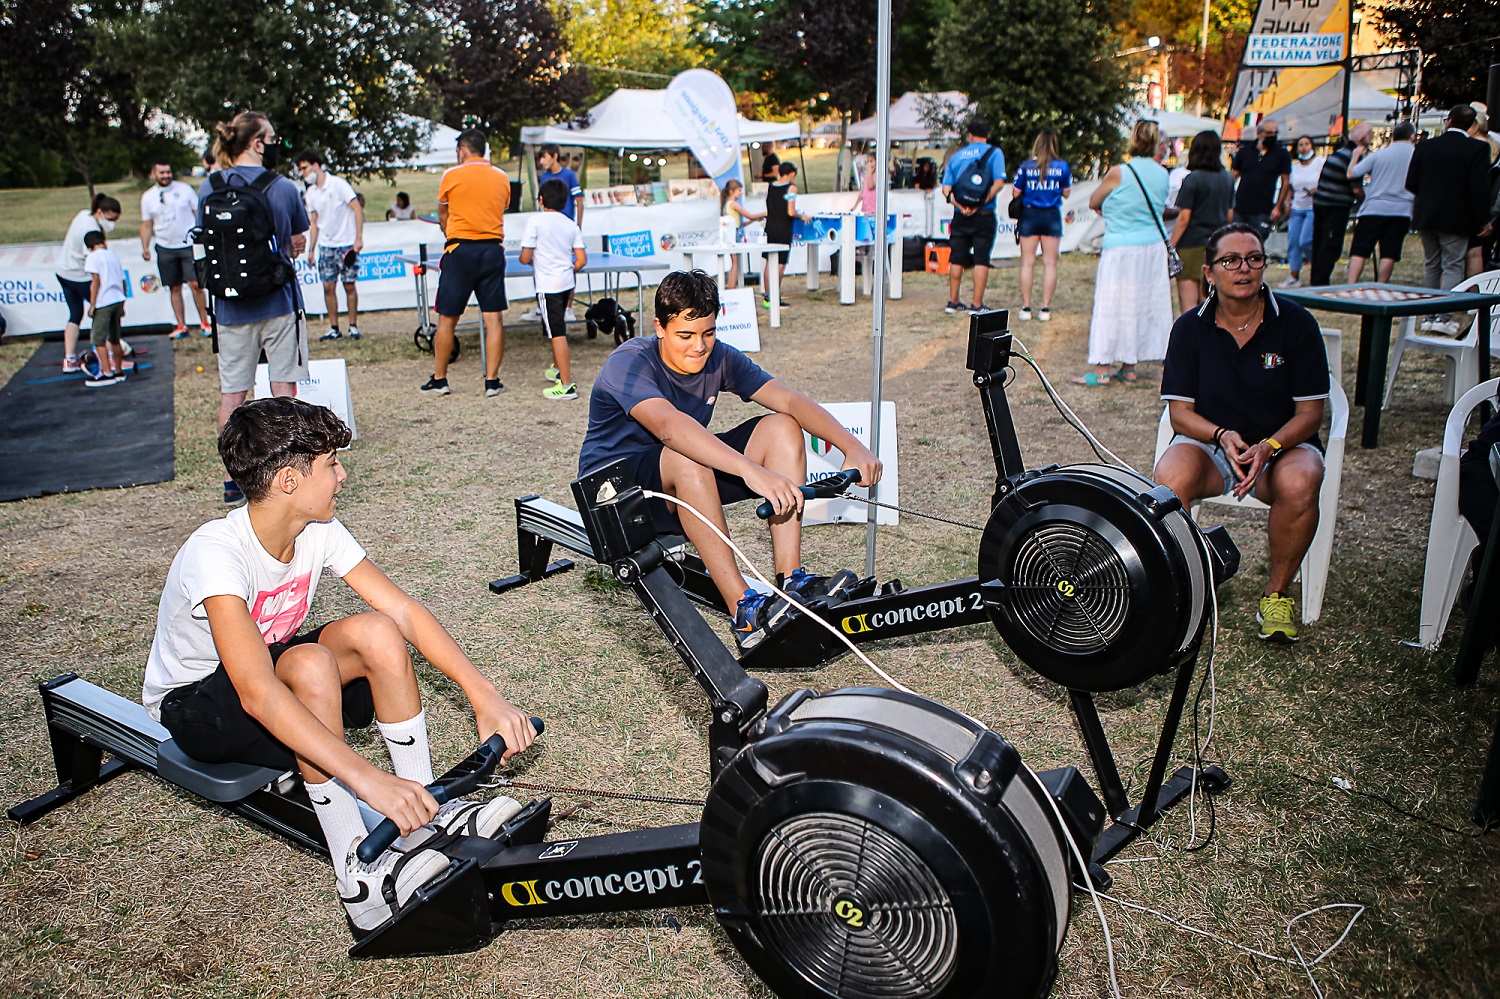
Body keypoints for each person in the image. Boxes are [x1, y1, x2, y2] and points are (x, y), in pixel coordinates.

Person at [141, 396, 537, 935]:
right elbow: (256, 691)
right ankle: (356, 869)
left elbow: (402, 611)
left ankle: (426, 819)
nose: (342, 475)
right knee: (307, 664)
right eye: (331, 464)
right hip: (197, 708)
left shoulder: (317, 529)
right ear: (287, 480)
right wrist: (369, 781)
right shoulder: (216, 552)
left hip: (270, 670)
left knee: (377, 630)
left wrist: (481, 692)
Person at [577, 270, 883, 651]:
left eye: (708, 333)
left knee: (782, 427)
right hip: (613, 496)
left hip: (677, 478)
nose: (699, 347)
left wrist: (850, 445)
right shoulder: (630, 361)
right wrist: (751, 473)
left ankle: (791, 580)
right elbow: (671, 428)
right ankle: (743, 608)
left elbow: (787, 399)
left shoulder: (718, 357)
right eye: (685, 336)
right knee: (686, 454)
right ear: (659, 327)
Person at [1154, 223, 1331, 643]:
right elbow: (1180, 414)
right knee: (1170, 475)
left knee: (1302, 476)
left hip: (1282, 447)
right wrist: (1221, 435)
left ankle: (1276, 594)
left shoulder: (1296, 323)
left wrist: (1269, 446)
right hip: (1212, 445)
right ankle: (1183, 589)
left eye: (1254, 259)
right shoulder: (1189, 328)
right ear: (1210, 273)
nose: (1244, 269)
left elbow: (1310, 413)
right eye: (1230, 261)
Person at [198, 111, 310, 505]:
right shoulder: (283, 187)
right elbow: (298, 239)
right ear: (258, 143)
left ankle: (234, 480)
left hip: (229, 309)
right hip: (278, 301)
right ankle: (288, 471)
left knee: (233, 395)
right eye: (273, 137)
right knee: (284, 390)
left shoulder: (208, 186)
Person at [1072, 120, 1173, 386]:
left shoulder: (1119, 172)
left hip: (1122, 247)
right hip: (1152, 247)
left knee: (1113, 304)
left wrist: (1110, 207)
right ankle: (1129, 366)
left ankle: (1102, 368)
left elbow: (1094, 200)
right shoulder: (1163, 174)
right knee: (1141, 304)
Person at [423, 128, 510, 397]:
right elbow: (502, 207)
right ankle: (492, 381)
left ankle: (440, 379)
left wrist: (449, 231)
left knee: (447, 319)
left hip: (459, 250)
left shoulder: (451, 175)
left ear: (462, 150)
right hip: (492, 249)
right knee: (493, 318)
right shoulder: (502, 177)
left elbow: (442, 212)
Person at [1406, 104, 1494, 334]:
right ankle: (1444, 316)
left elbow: (1411, 182)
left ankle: (1428, 315)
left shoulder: (1426, 146)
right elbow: (1479, 187)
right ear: (1473, 125)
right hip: (1457, 217)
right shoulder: (1476, 149)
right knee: (1453, 265)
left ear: (1448, 121)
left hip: (1427, 214)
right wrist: (1483, 218)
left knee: (1432, 265)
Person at [519, 179, 586, 401]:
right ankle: (558, 370)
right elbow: (581, 260)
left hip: (548, 285)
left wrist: (534, 262)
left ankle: (566, 385)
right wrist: (566, 268)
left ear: (540, 200)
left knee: (557, 333)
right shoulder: (570, 224)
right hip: (567, 283)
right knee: (557, 327)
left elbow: (525, 256)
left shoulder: (535, 222)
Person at [294, 150, 364, 342]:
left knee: (349, 285)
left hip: (346, 243)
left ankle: (353, 326)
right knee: (328, 286)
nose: (303, 173)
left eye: (304, 168)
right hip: (326, 246)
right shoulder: (311, 193)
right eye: (300, 170)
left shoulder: (338, 185)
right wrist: (311, 249)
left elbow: (357, 208)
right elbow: (314, 223)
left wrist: (358, 239)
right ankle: (334, 328)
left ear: (315, 165)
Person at [940, 118, 1007, 315]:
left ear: (969, 135)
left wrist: (959, 204)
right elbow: (999, 182)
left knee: (957, 258)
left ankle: (953, 301)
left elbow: (945, 189)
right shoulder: (995, 153)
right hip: (984, 214)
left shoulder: (958, 156)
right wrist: (982, 202)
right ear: (987, 135)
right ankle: (976, 304)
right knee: (981, 259)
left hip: (960, 215)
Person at [140, 158, 211, 339]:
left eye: (168, 172)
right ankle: (181, 325)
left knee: (196, 284)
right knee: (174, 287)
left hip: (188, 244)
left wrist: (204, 235)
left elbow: (198, 213)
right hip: (165, 246)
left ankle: (205, 322)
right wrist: (145, 246)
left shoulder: (184, 189)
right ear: (154, 174)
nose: (166, 176)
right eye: (162, 173)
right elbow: (146, 224)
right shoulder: (148, 197)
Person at [1169, 131, 1235, 315]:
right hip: (1217, 247)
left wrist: (1170, 246)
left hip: (1191, 244)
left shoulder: (1193, 179)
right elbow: (1230, 215)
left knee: (1189, 304)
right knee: (1210, 302)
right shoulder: (1227, 178)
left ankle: (1190, 342)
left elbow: (1184, 218)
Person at [1010, 128, 1073, 322]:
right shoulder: (1063, 167)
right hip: (1051, 215)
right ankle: (1045, 308)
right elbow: (1067, 192)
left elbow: (1015, 192)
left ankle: (1026, 307)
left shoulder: (1026, 167)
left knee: (1027, 262)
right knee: (1050, 264)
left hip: (1030, 215)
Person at [55, 194, 122, 373]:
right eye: (111, 219)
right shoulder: (90, 230)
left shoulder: (84, 214)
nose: (113, 223)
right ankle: (108, 356)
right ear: (100, 212)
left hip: (63, 271)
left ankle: (69, 359)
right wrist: (95, 302)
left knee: (75, 314)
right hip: (79, 275)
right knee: (103, 312)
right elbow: (95, 264)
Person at [1346, 120, 1417, 284]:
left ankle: (1351, 284)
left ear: (1393, 136)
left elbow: (1352, 173)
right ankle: (1381, 284)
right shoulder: (1415, 155)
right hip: (1402, 208)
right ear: (1412, 136)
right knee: (1389, 252)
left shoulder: (1379, 155)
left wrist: (1355, 156)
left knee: (1360, 250)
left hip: (1375, 206)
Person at [1309, 123, 1369, 286]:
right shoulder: (1353, 156)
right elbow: (1355, 186)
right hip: (1335, 204)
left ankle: (1316, 278)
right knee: (1331, 244)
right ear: (1364, 138)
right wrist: (1363, 199)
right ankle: (1320, 281)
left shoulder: (1339, 153)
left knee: (1319, 241)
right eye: (1370, 135)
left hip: (1321, 202)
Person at [1231, 118, 1291, 238]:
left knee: (1258, 240)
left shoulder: (1282, 154)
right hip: (1240, 206)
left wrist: (1278, 206)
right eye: (1269, 133)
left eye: (1275, 133)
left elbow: (1285, 181)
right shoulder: (1245, 152)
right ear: (1259, 133)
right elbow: (1233, 176)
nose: (1272, 136)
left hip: (1264, 208)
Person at [761, 162, 809, 310]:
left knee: (770, 261)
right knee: (780, 264)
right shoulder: (791, 188)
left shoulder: (771, 186)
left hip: (771, 227)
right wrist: (803, 216)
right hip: (783, 228)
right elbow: (791, 211)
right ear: (792, 174)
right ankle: (775, 296)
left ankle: (768, 296)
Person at [82, 230, 128, 387]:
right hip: (118, 299)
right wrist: (123, 303)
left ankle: (106, 373)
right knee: (115, 338)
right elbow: (123, 280)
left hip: (104, 302)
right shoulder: (113, 256)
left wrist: (93, 304)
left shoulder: (93, 257)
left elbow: (96, 281)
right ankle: (119, 371)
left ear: (89, 247)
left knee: (98, 339)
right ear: (104, 241)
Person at [1280, 136, 1322, 288]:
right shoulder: (1294, 166)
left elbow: (1326, 182)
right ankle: (1294, 275)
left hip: (1313, 207)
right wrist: (1287, 203)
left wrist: (1317, 190)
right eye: (1300, 145)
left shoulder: (1320, 163)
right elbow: (1290, 186)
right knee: (1293, 242)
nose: (1304, 148)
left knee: (1306, 240)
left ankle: (1316, 266)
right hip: (1297, 206)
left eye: (1306, 144)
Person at [1464, 110, 1499, 278]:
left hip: (1471, 204)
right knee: (1477, 252)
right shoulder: (1493, 145)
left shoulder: (1474, 147)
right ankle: (1475, 291)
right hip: (1489, 202)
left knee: (1468, 253)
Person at [719, 178, 764, 289]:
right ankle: (731, 289)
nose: (741, 193)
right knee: (735, 264)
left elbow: (742, 223)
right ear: (731, 191)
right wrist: (767, 212)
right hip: (733, 236)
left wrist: (754, 220)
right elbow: (750, 215)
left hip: (732, 235)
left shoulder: (727, 204)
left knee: (735, 264)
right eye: (739, 190)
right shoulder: (733, 204)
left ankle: (733, 287)